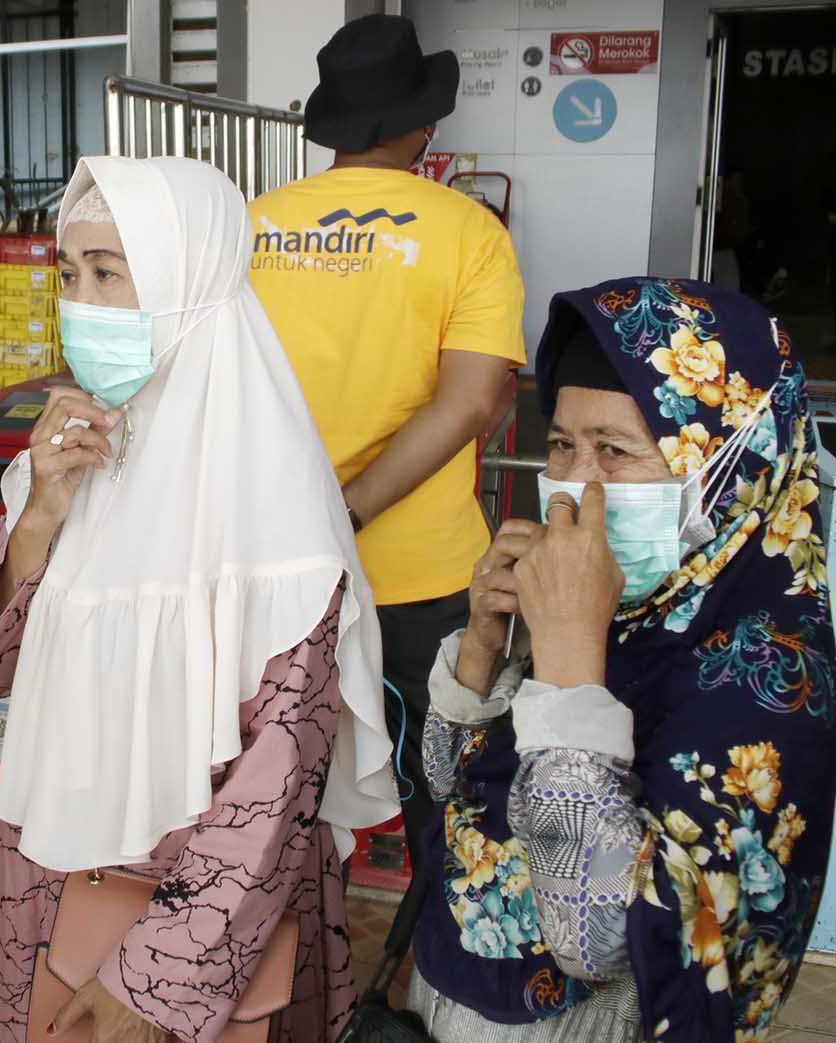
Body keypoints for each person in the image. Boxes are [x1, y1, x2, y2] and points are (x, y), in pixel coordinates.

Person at [0, 156, 398, 1043]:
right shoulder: (66, 459)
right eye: (70, 276)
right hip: (44, 889)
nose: (80, 303)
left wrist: (153, 983)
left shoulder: (279, 515)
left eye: (110, 273)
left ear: (189, 279)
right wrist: (38, 514)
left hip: (204, 939)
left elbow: (276, 791)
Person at [407, 277, 836, 1042]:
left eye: (615, 450)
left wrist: (571, 663)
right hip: (451, 987)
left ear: (728, 470)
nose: (577, 484)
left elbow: (596, 936)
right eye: (565, 443)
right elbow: (449, 790)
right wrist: (484, 645)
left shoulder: (768, 679)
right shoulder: (609, 605)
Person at [247, 12, 526, 869]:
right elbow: (476, 403)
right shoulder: (468, 231)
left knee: (267, 791)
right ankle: (420, 975)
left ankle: (278, 977)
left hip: (270, 564)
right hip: (421, 577)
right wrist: (355, 506)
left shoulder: (250, 225)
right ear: (422, 125)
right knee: (443, 795)